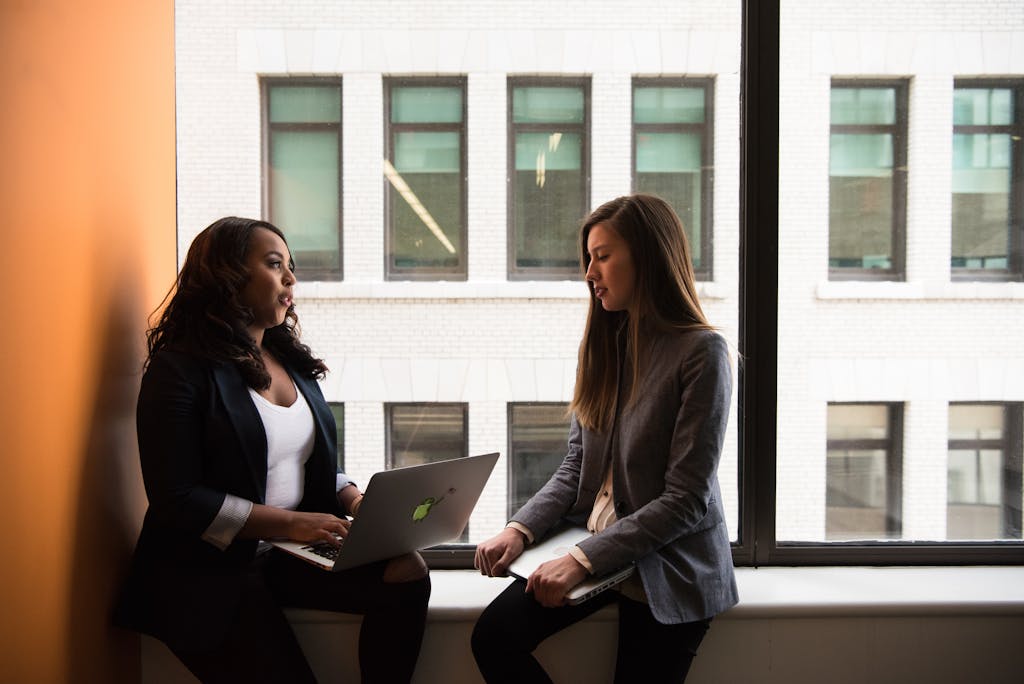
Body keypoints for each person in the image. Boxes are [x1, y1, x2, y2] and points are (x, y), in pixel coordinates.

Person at [115, 217, 430, 683]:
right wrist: (295, 523)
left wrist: (356, 500)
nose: (290, 279)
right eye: (274, 264)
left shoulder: (289, 361)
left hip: (283, 553)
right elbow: (176, 499)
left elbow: (306, 460)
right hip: (205, 572)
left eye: (291, 267)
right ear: (226, 275)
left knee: (407, 571)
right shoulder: (178, 370)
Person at [471, 194, 737, 683]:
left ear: (649, 255)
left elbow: (686, 501)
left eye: (603, 256)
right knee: (493, 637)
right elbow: (577, 468)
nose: (589, 272)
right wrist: (519, 530)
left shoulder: (703, 352)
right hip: (597, 542)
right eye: (588, 258)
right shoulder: (603, 346)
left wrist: (581, 560)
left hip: (668, 562)